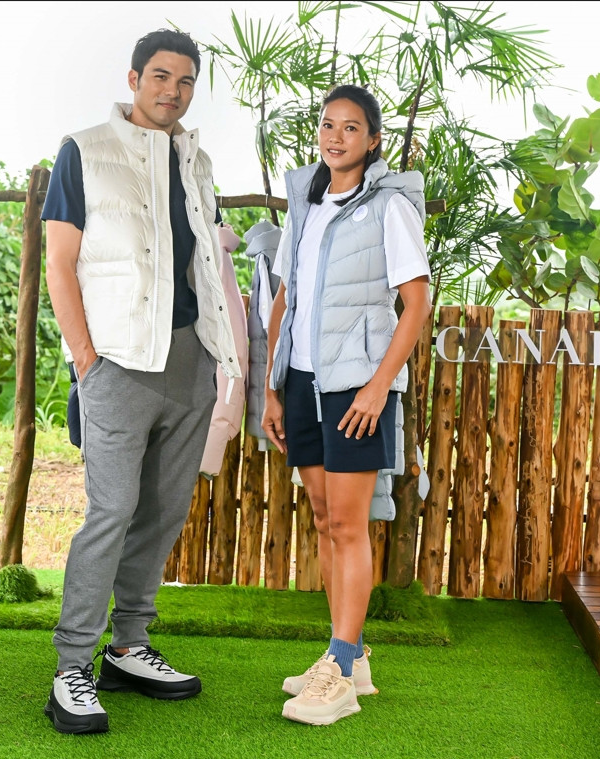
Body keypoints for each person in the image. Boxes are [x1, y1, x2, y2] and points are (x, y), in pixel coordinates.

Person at [40, 28, 240, 735]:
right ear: (133, 79)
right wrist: (86, 359)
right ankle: (72, 665)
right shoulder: (83, 149)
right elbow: (59, 262)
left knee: (162, 511)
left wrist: (216, 357)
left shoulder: (197, 160)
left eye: (185, 82)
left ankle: (128, 645)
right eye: (160, 76)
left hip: (189, 361)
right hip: (117, 362)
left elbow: (206, 265)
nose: (172, 92)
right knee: (112, 510)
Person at [261, 83, 433, 726]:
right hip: (302, 383)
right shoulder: (305, 204)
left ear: (373, 139)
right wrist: (272, 386)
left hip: (355, 386)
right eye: (328, 125)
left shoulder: (389, 207)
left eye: (351, 127)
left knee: (349, 525)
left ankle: (337, 669)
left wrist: (378, 385)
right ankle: (351, 658)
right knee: (324, 518)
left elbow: (415, 304)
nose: (336, 137)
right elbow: (285, 299)